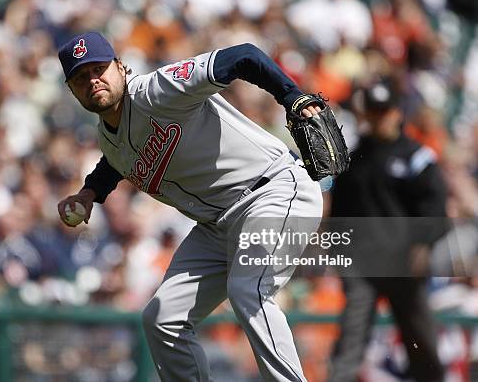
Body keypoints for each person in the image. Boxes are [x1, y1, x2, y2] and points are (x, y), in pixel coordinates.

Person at [56, 32, 324, 381]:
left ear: (121, 68)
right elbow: (116, 160)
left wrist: (292, 96)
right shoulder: (107, 135)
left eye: (99, 69)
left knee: (248, 290)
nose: (93, 80)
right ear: (73, 90)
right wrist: (90, 193)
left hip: (272, 191)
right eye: (81, 77)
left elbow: (243, 55)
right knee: (163, 319)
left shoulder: (158, 89)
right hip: (218, 225)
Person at [328, 80, 448, 382]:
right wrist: (336, 250)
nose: (379, 118)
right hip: (362, 265)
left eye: (385, 111)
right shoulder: (354, 160)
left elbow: (434, 206)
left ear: (397, 113)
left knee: (421, 341)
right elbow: (340, 212)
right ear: (365, 115)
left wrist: (423, 244)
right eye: (374, 112)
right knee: (350, 341)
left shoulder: (416, 157)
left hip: (404, 262)